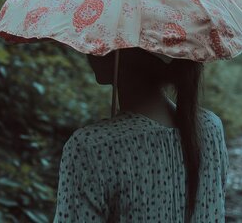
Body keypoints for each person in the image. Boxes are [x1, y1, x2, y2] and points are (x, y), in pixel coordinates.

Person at [53, 47, 229, 222]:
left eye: (97, 40)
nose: (88, 48)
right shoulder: (210, 129)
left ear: (117, 54)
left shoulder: (90, 147)